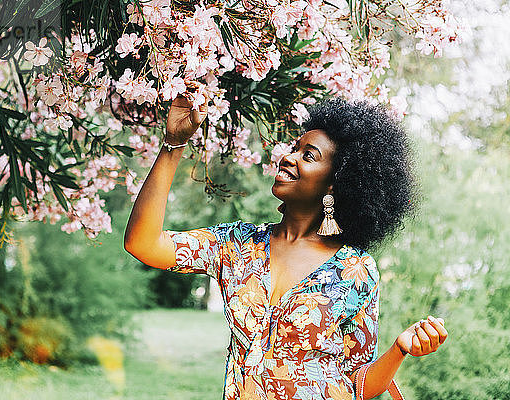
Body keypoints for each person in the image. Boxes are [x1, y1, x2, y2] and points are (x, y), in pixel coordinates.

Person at [124, 91, 448, 400]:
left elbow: (358, 385)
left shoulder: (356, 271)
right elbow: (144, 243)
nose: (288, 157)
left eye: (308, 156)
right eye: (294, 148)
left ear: (336, 183)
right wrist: (175, 142)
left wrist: (399, 350)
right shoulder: (236, 245)